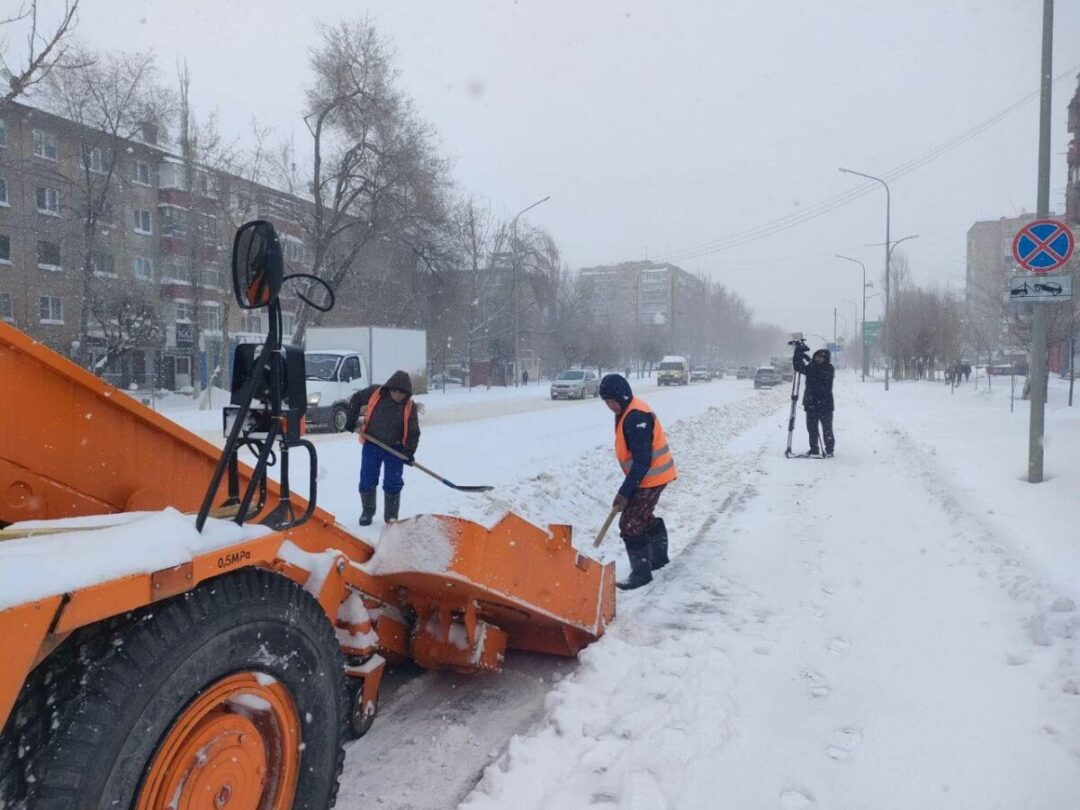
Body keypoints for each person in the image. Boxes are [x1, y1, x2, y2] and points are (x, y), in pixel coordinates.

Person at [598, 374, 677, 590]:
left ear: (622, 396)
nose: (610, 406)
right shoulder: (628, 410)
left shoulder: (636, 416)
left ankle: (641, 574)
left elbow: (642, 460)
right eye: (606, 402)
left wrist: (625, 492)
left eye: (612, 400)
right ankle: (659, 559)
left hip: (653, 477)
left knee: (630, 523)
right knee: (641, 517)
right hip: (648, 476)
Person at [344, 370, 421, 526]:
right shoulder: (375, 392)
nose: (398, 395)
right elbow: (356, 399)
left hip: (396, 449)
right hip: (372, 444)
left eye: (402, 393)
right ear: (390, 388)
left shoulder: (409, 405)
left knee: (393, 482)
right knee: (367, 479)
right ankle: (367, 511)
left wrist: (409, 453)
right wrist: (351, 420)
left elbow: (413, 431)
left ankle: (391, 516)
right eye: (395, 391)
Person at [793, 344, 835, 457]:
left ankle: (829, 449)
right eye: (816, 357)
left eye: (821, 357)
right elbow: (798, 367)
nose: (818, 359)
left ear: (826, 359)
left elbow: (818, 374)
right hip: (811, 403)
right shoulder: (811, 367)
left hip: (825, 404)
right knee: (812, 428)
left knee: (827, 429)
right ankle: (814, 448)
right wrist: (797, 354)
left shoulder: (829, 369)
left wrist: (809, 362)